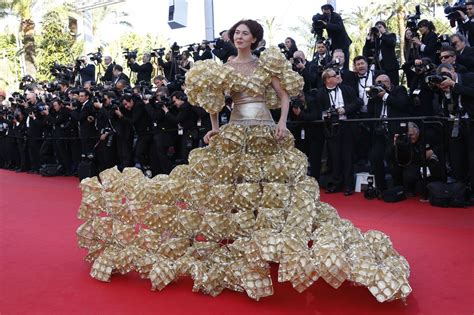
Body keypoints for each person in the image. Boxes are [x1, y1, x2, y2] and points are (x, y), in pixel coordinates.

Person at [76, 19, 411, 303]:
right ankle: (243, 244)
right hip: (235, 130)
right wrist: (213, 130)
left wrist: (282, 124)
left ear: (254, 38)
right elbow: (215, 102)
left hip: (266, 130)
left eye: (245, 33)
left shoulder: (266, 64)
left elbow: (282, 95)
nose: (239, 36)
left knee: (271, 191)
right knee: (231, 190)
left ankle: (273, 241)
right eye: (236, 32)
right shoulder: (222, 68)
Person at [363, 21, 400, 85]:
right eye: (377, 28)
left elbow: (391, 43)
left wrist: (381, 35)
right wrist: (369, 37)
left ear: (385, 28)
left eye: (380, 27)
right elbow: (366, 50)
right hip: (379, 67)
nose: (378, 29)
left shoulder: (391, 35)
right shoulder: (376, 40)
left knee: (393, 85)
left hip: (391, 67)